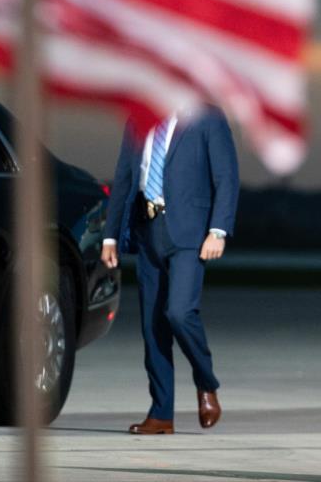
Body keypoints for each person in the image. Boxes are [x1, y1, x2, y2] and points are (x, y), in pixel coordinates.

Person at [101, 106, 240, 434]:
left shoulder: (208, 117)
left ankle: (206, 383)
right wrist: (110, 236)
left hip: (191, 232)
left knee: (179, 312)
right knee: (152, 326)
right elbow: (123, 177)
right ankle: (161, 413)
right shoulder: (137, 118)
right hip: (147, 230)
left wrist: (218, 230)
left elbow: (226, 176)